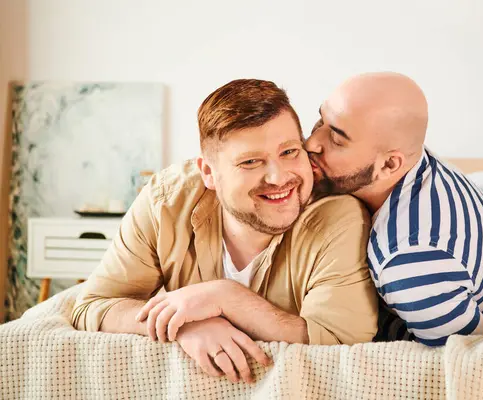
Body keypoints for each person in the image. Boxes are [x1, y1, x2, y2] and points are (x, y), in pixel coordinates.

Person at [72, 79, 378, 383]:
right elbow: (92, 305)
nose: (278, 177)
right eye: (250, 162)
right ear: (208, 172)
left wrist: (225, 297)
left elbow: (340, 342)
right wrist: (183, 324)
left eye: (289, 152)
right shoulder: (165, 202)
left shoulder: (339, 217)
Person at [305, 72, 483, 346]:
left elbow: (473, 357)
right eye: (320, 121)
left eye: (336, 139)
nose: (311, 143)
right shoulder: (419, 161)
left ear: (389, 164)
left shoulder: (406, 259)